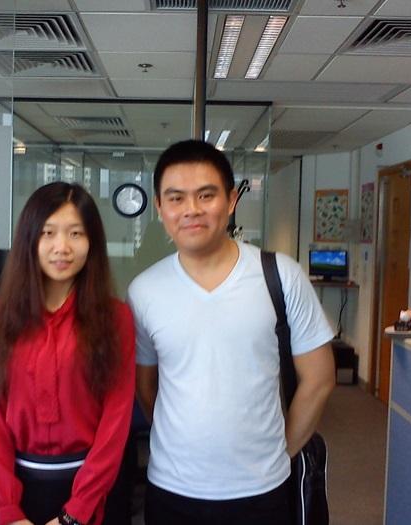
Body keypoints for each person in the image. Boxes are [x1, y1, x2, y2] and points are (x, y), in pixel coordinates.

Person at [127, 140, 336, 525]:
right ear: (159, 207)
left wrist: (281, 454)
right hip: (171, 489)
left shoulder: (281, 275)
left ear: (231, 200)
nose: (191, 209)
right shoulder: (144, 290)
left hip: (262, 491)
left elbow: (319, 378)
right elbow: (146, 388)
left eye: (206, 195)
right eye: (176, 198)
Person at [0, 182, 135, 525]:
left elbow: (116, 420)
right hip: (23, 490)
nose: (61, 247)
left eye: (75, 233)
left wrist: (76, 513)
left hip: (94, 492)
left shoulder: (115, 318)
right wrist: (8, 510)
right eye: (48, 233)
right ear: (29, 240)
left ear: (92, 242)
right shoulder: (0, 318)